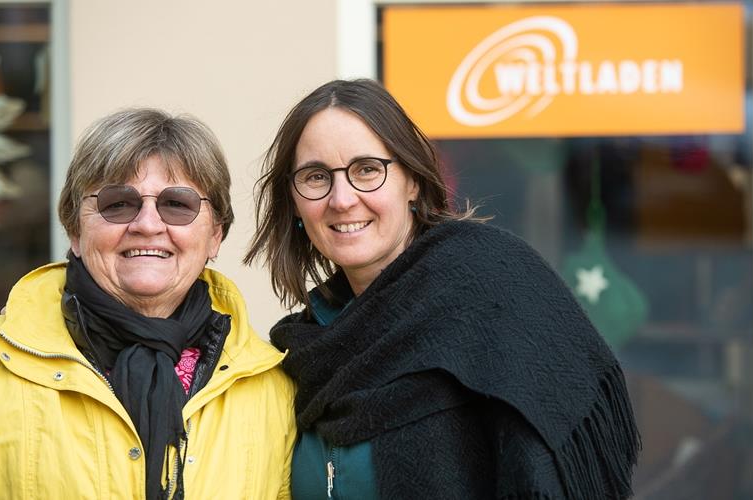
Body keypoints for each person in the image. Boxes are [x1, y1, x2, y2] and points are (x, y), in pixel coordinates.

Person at [245, 79, 640, 499]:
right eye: (316, 176)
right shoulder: (306, 349)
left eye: (367, 170)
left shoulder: (490, 286)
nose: (342, 199)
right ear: (294, 201)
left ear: (412, 181)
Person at [0, 108, 295, 499]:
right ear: (75, 230)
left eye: (177, 204)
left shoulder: (273, 388)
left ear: (215, 235)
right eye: (118, 203)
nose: (147, 224)